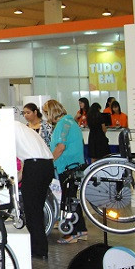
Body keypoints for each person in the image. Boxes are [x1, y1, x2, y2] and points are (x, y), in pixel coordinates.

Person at [43, 99, 88, 244]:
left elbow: (60, 147)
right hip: (73, 165)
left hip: (69, 166)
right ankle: (81, 230)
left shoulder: (63, 124)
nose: (46, 116)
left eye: (46, 113)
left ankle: (74, 232)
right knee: (72, 198)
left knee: (69, 199)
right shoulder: (69, 122)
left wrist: (50, 161)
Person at [12, 121, 54, 260]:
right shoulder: (22, 128)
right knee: (37, 209)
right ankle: (40, 248)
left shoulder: (10, 128)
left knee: (32, 211)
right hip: (46, 165)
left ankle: (38, 249)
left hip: (34, 166)